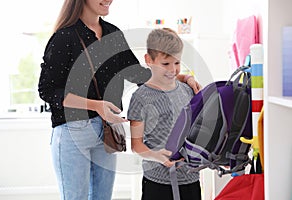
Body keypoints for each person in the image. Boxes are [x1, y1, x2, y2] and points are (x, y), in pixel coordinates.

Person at [38, 0, 201, 199]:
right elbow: (47, 90)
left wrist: (183, 77)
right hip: (73, 131)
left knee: (102, 197)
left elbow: (140, 75)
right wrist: (95, 105)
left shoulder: (112, 34)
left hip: (107, 131)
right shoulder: (64, 37)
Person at [127, 28, 201, 200]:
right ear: (148, 60)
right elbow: (136, 145)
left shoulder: (187, 90)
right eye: (165, 64)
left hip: (190, 178)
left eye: (177, 63)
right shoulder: (140, 98)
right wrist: (157, 156)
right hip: (157, 182)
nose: (172, 70)